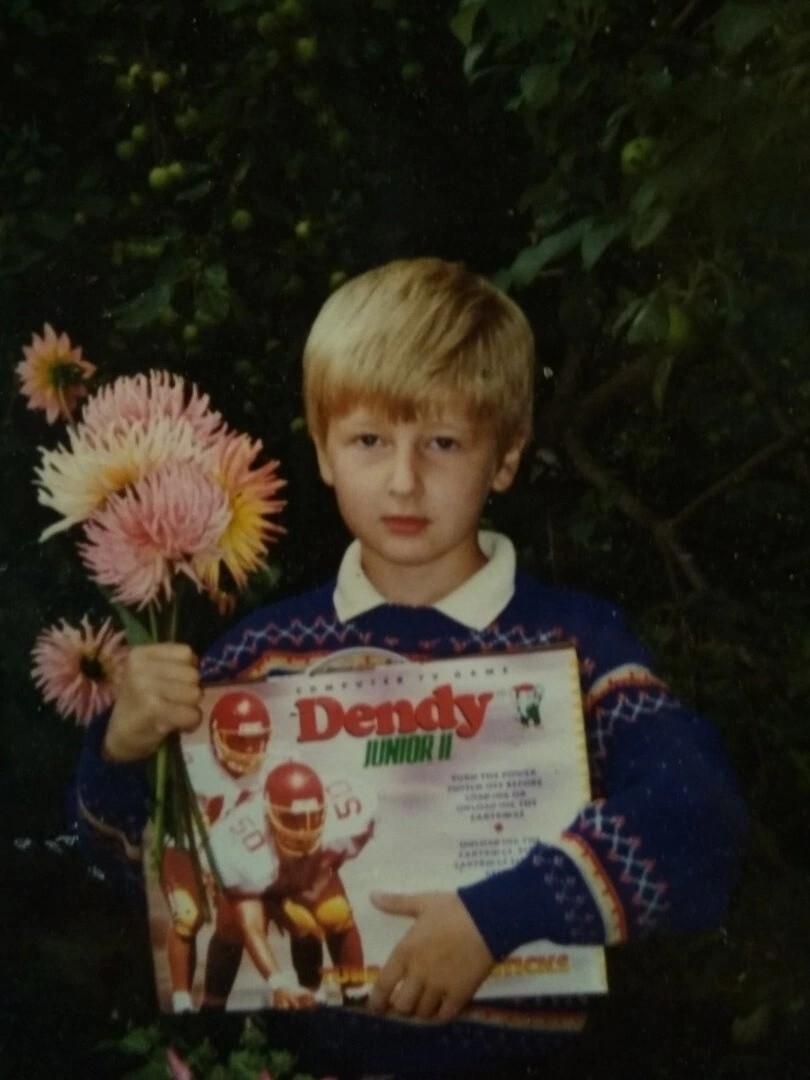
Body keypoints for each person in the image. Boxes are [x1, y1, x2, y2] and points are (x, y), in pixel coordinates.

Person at [73, 257, 747, 1079]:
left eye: (443, 441)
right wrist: (121, 751)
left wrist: (495, 918)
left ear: (504, 457)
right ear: (322, 451)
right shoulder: (257, 658)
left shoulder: (579, 642)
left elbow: (699, 818)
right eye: (368, 440)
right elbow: (146, 879)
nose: (403, 479)